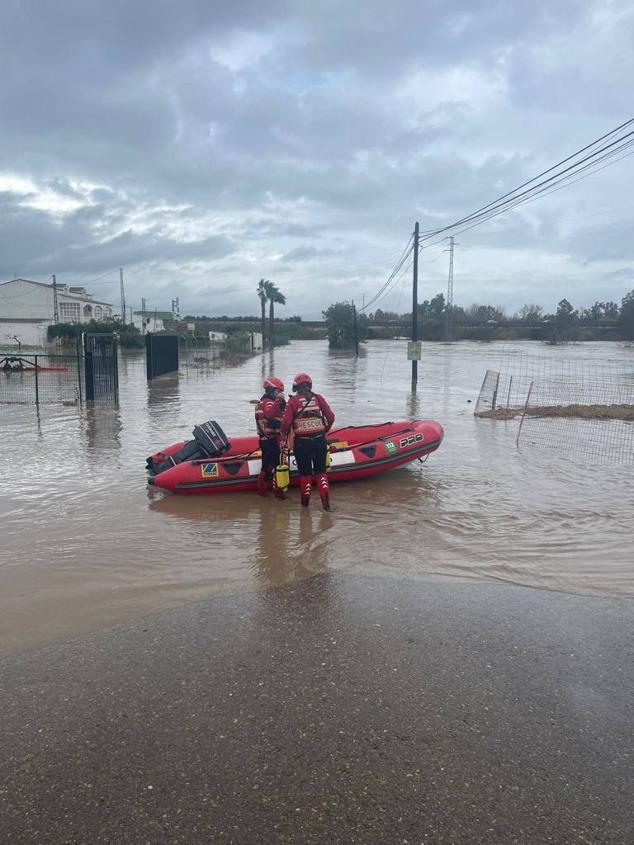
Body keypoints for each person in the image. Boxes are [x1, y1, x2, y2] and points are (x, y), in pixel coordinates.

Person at [280, 373, 335, 510]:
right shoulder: (318, 398)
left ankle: (305, 507)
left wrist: (283, 435)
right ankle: (326, 506)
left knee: (305, 474)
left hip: (302, 443)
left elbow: (285, 423)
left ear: (296, 387)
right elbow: (331, 417)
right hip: (319, 441)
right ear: (310, 385)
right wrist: (325, 430)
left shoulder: (293, 402)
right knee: (321, 472)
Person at [255, 376, 287, 499]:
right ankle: (278, 494)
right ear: (272, 391)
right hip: (271, 440)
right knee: (277, 465)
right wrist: (279, 401)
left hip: (264, 440)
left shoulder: (261, 403)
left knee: (266, 465)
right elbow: (269, 414)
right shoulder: (269, 402)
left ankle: (261, 491)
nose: (280, 394)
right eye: (278, 392)